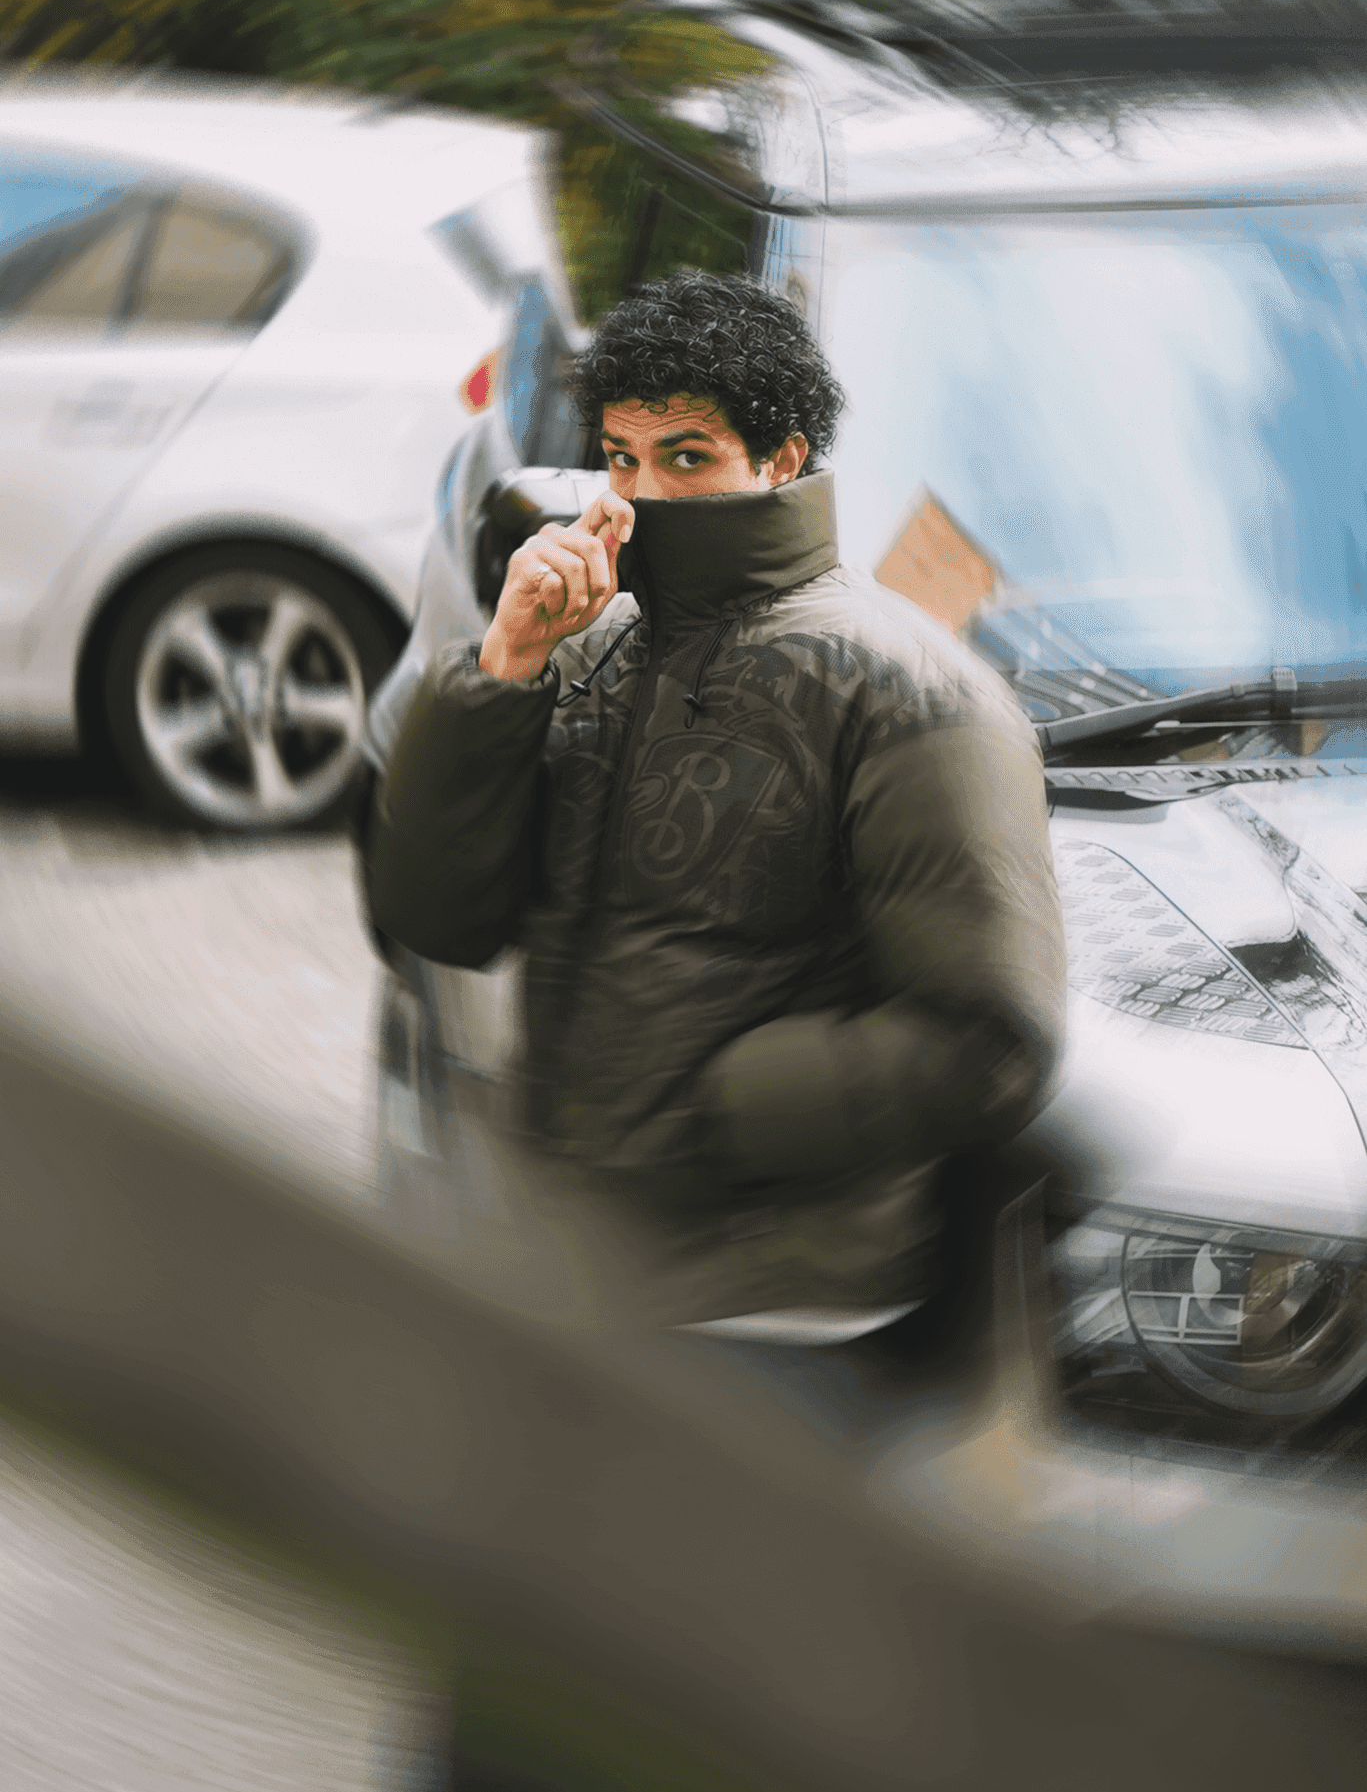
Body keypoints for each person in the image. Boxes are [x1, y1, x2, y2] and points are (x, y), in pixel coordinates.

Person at [365, 269, 1066, 1324]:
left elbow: (990, 1037)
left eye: (685, 456)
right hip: (564, 1261)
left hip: (771, 1302)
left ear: (779, 457)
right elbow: (436, 918)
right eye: (619, 458)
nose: (640, 493)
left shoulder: (910, 691)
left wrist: (724, 1107)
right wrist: (501, 665)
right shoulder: (583, 654)